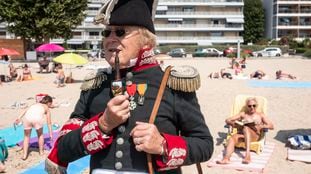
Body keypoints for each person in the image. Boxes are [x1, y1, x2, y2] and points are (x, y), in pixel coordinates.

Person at [45, 0, 214, 173]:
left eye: (120, 32)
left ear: (146, 41)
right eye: (106, 32)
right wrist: (102, 125)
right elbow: (63, 149)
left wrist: (163, 145)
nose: (110, 39)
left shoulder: (173, 83)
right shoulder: (96, 84)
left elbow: (205, 145)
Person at [217, 97, 274, 164]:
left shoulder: (260, 115)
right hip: (242, 134)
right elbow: (227, 120)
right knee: (231, 138)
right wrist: (234, 124)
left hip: (254, 136)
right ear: (247, 106)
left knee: (246, 128)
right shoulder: (243, 114)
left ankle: (247, 155)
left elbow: (271, 126)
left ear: (256, 106)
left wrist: (261, 126)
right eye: (249, 106)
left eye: (254, 105)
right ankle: (226, 159)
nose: (252, 107)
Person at [15, 95, 53, 160]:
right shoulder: (46, 107)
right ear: (49, 103)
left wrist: (19, 117)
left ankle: (24, 155)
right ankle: (41, 152)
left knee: (26, 137)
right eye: (51, 104)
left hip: (27, 118)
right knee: (40, 135)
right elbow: (49, 123)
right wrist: (50, 134)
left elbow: (25, 110)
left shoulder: (35, 104)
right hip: (37, 119)